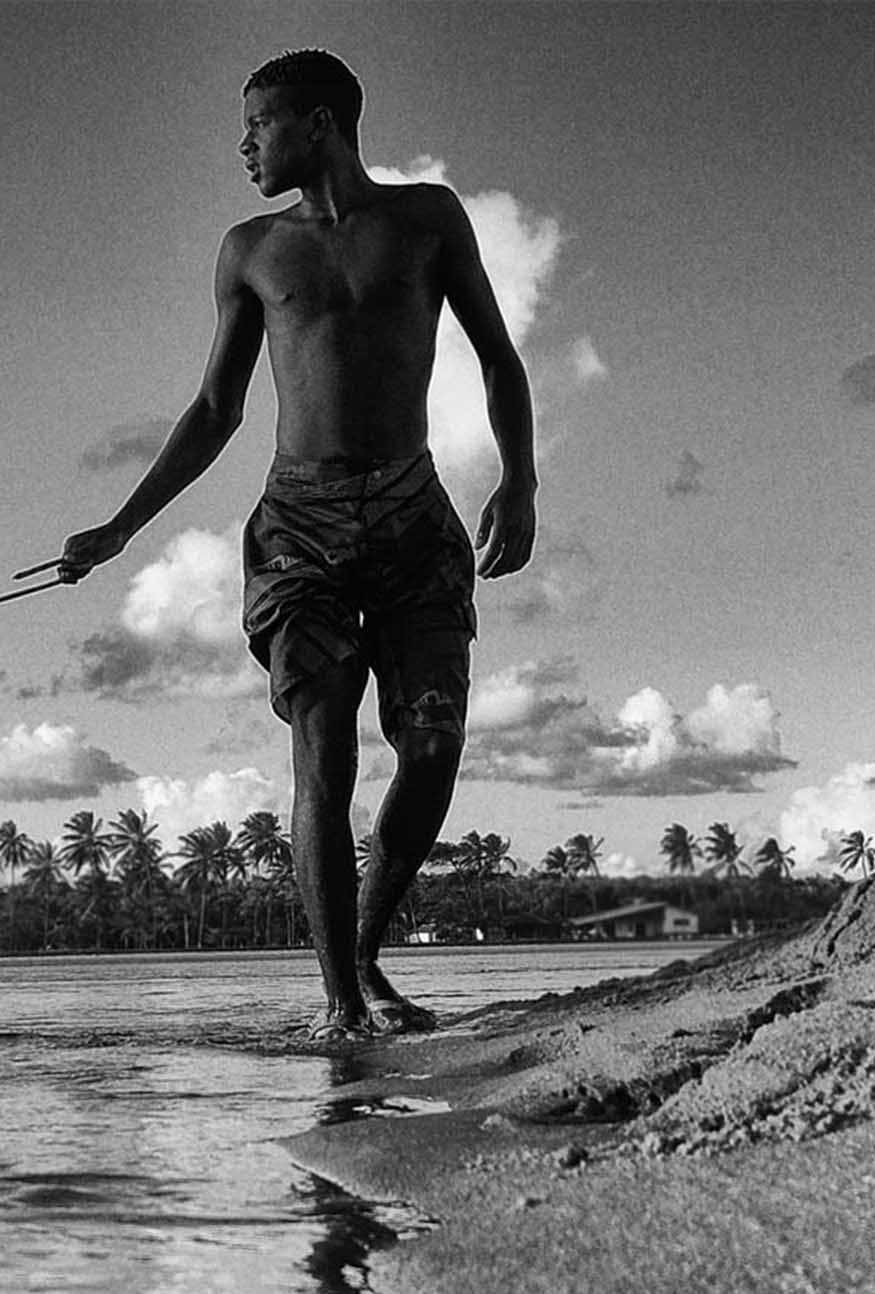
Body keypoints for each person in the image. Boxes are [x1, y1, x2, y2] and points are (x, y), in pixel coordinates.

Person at [57, 48, 537, 1044]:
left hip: (414, 520)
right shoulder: (248, 251)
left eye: (257, 125)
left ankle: (364, 952)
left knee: (433, 746)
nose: (243, 145)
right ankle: (339, 1002)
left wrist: (520, 479)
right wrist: (119, 527)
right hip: (300, 533)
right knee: (322, 755)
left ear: (318, 123)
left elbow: (498, 356)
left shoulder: (427, 220)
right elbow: (213, 410)